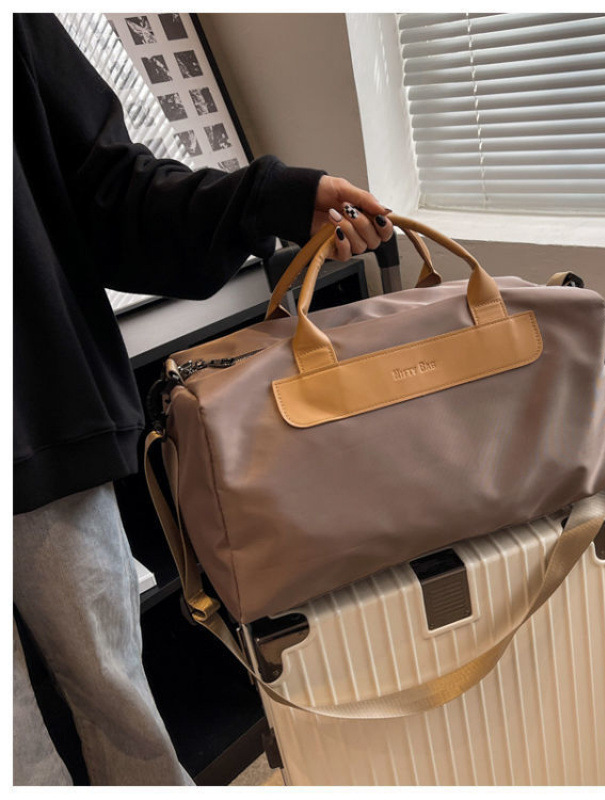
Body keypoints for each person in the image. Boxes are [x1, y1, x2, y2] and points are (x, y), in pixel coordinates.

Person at [13, 13, 394, 786]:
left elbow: (108, 194)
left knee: (116, 716)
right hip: (44, 425)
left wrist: (270, 200)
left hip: (33, 422)